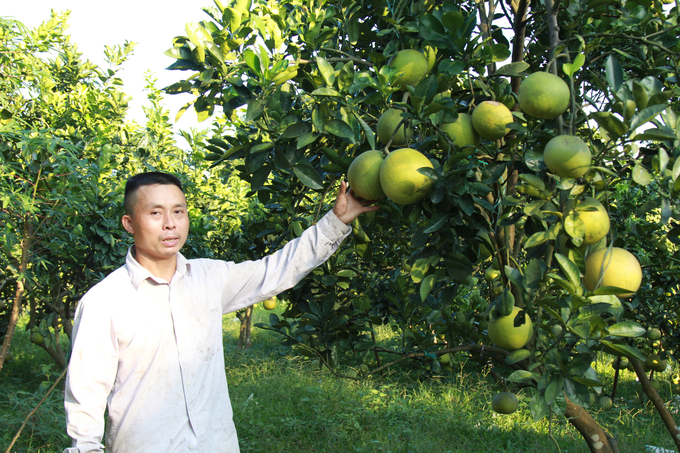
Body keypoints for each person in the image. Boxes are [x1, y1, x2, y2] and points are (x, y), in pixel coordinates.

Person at [63, 171, 378, 453]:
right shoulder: (105, 301)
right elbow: (85, 398)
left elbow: (276, 271)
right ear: (129, 223)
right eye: (155, 213)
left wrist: (336, 222)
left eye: (178, 212)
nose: (170, 223)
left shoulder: (209, 278)